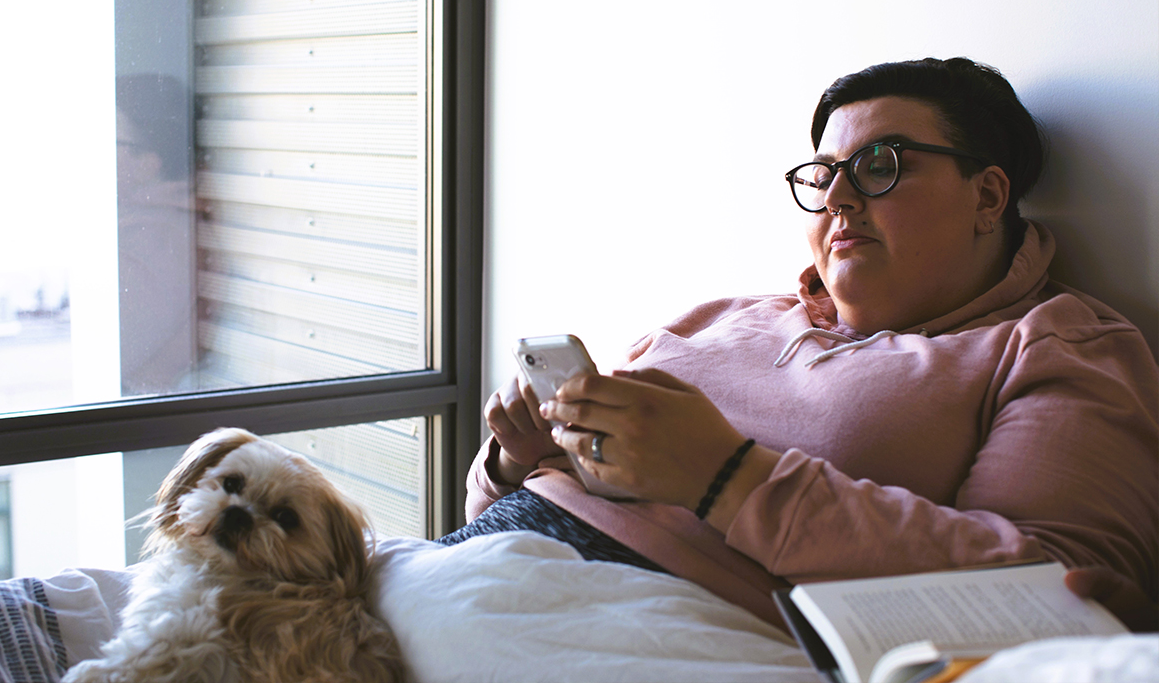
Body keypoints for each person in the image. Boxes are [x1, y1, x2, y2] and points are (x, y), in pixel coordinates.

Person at [440, 57, 1158, 632]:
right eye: (824, 176)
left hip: (672, 614)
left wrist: (727, 477)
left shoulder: (1058, 344)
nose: (840, 198)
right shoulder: (721, 314)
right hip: (497, 555)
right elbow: (490, 510)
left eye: (881, 165)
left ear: (989, 197)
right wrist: (515, 458)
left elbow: (1064, 596)